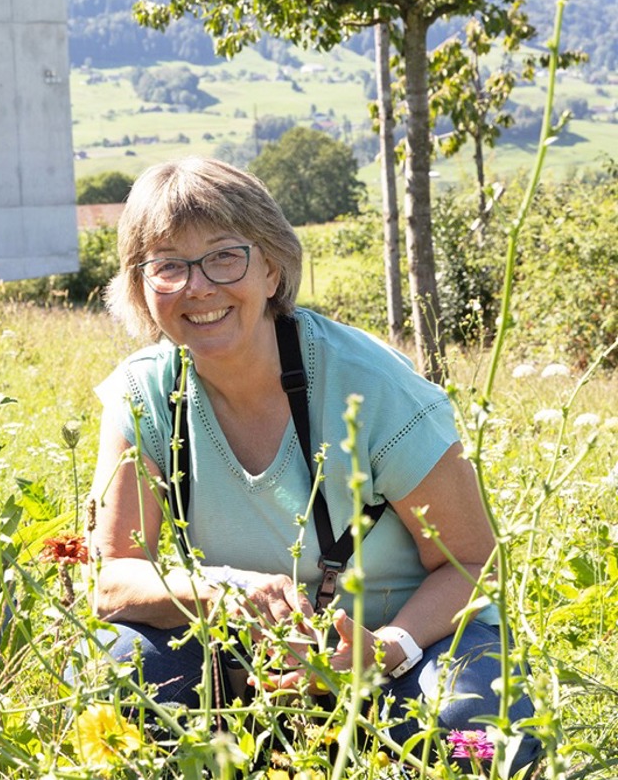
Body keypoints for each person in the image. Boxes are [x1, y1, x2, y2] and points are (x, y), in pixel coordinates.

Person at [87, 157, 537, 774]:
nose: (198, 287)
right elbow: (112, 579)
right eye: (168, 265)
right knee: (120, 673)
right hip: (255, 662)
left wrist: (385, 651)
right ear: (141, 287)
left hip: (412, 647)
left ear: (272, 268)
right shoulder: (144, 396)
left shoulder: (373, 386)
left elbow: (477, 565)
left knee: (471, 729)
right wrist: (224, 592)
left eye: (225, 257)